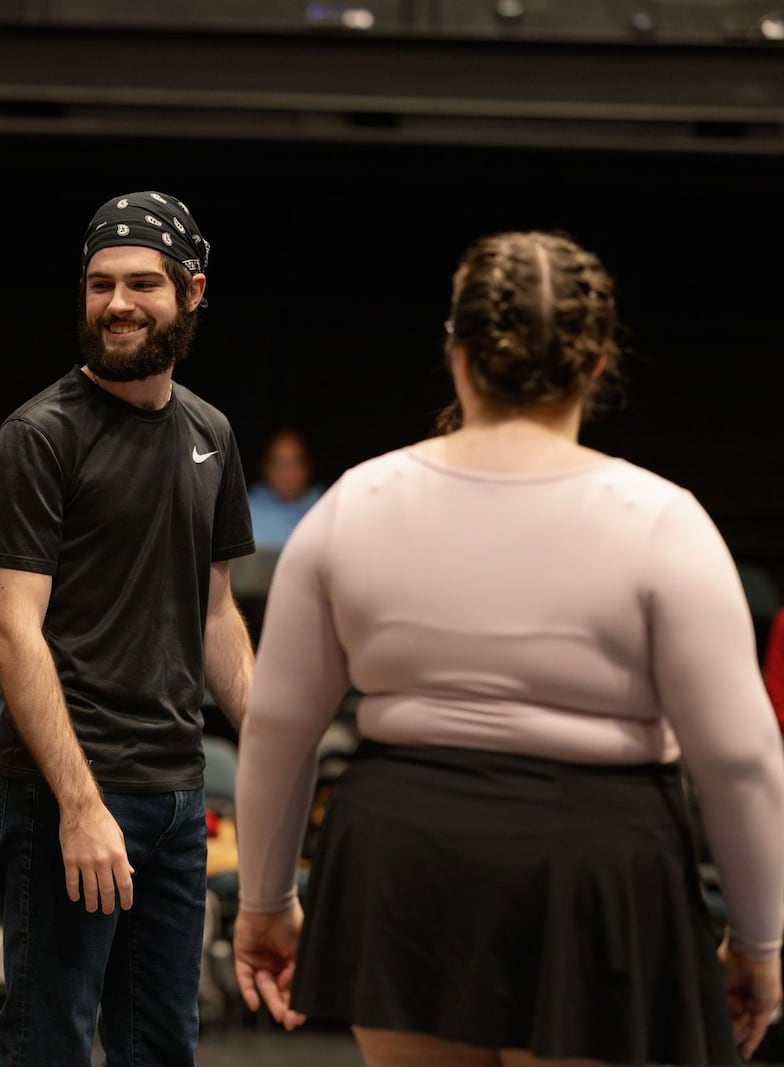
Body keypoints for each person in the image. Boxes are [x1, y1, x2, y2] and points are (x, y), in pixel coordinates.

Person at [233, 231, 784, 1066]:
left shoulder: (355, 503)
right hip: (594, 864)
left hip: (401, 856)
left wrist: (265, 899)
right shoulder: (663, 520)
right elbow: (740, 762)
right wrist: (759, 937)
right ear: (598, 363)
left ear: (457, 355)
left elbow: (278, 725)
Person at [0, 190, 258, 1065]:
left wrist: (273, 747)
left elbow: (216, 612)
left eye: (142, 284)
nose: (117, 304)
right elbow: (13, 631)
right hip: (69, 794)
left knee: (162, 1044)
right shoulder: (40, 436)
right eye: (99, 284)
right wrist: (81, 804)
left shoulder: (211, 431)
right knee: (49, 1041)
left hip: (176, 800)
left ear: (193, 292)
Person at [245, 427, 322, 550]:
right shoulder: (244, 514)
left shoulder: (325, 508)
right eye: (279, 464)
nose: (287, 474)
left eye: (293, 463)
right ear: (265, 467)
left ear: (307, 467)